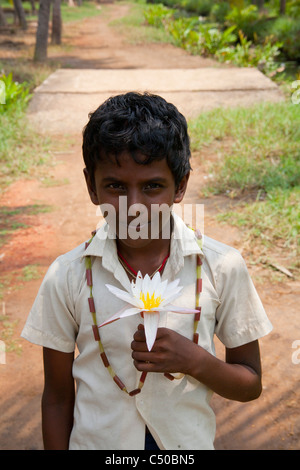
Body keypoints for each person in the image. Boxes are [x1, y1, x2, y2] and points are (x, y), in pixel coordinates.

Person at [21, 92, 272, 450]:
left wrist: (195, 361)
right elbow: (58, 399)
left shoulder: (221, 267)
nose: (134, 206)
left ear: (181, 185)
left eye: (152, 186)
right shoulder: (68, 276)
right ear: (91, 186)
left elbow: (250, 384)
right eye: (115, 186)